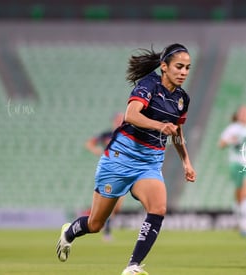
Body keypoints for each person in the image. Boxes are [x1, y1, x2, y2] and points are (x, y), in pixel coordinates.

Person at [56, 43, 196, 275]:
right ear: (164, 66)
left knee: (158, 208)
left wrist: (186, 162)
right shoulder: (149, 84)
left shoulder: (183, 99)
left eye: (188, 68)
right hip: (120, 159)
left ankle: (133, 266)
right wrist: (160, 126)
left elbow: (177, 132)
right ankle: (69, 233)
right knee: (95, 224)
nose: (183, 72)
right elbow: (131, 115)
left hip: (149, 163)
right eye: (179, 66)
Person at [218, 105, 246, 236]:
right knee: (239, 195)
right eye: (242, 113)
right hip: (236, 164)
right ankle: (240, 219)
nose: (244, 115)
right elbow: (221, 144)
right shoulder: (232, 129)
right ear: (238, 115)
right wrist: (231, 140)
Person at [84, 111, 125, 241]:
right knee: (109, 203)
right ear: (113, 121)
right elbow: (89, 143)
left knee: (117, 206)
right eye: (118, 119)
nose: (120, 121)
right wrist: (97, 151)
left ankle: (104, 225)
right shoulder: (106, 135)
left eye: (122, 119)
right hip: (109, 171)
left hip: (123, 172)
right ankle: (105, 230)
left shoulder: (126, 134)